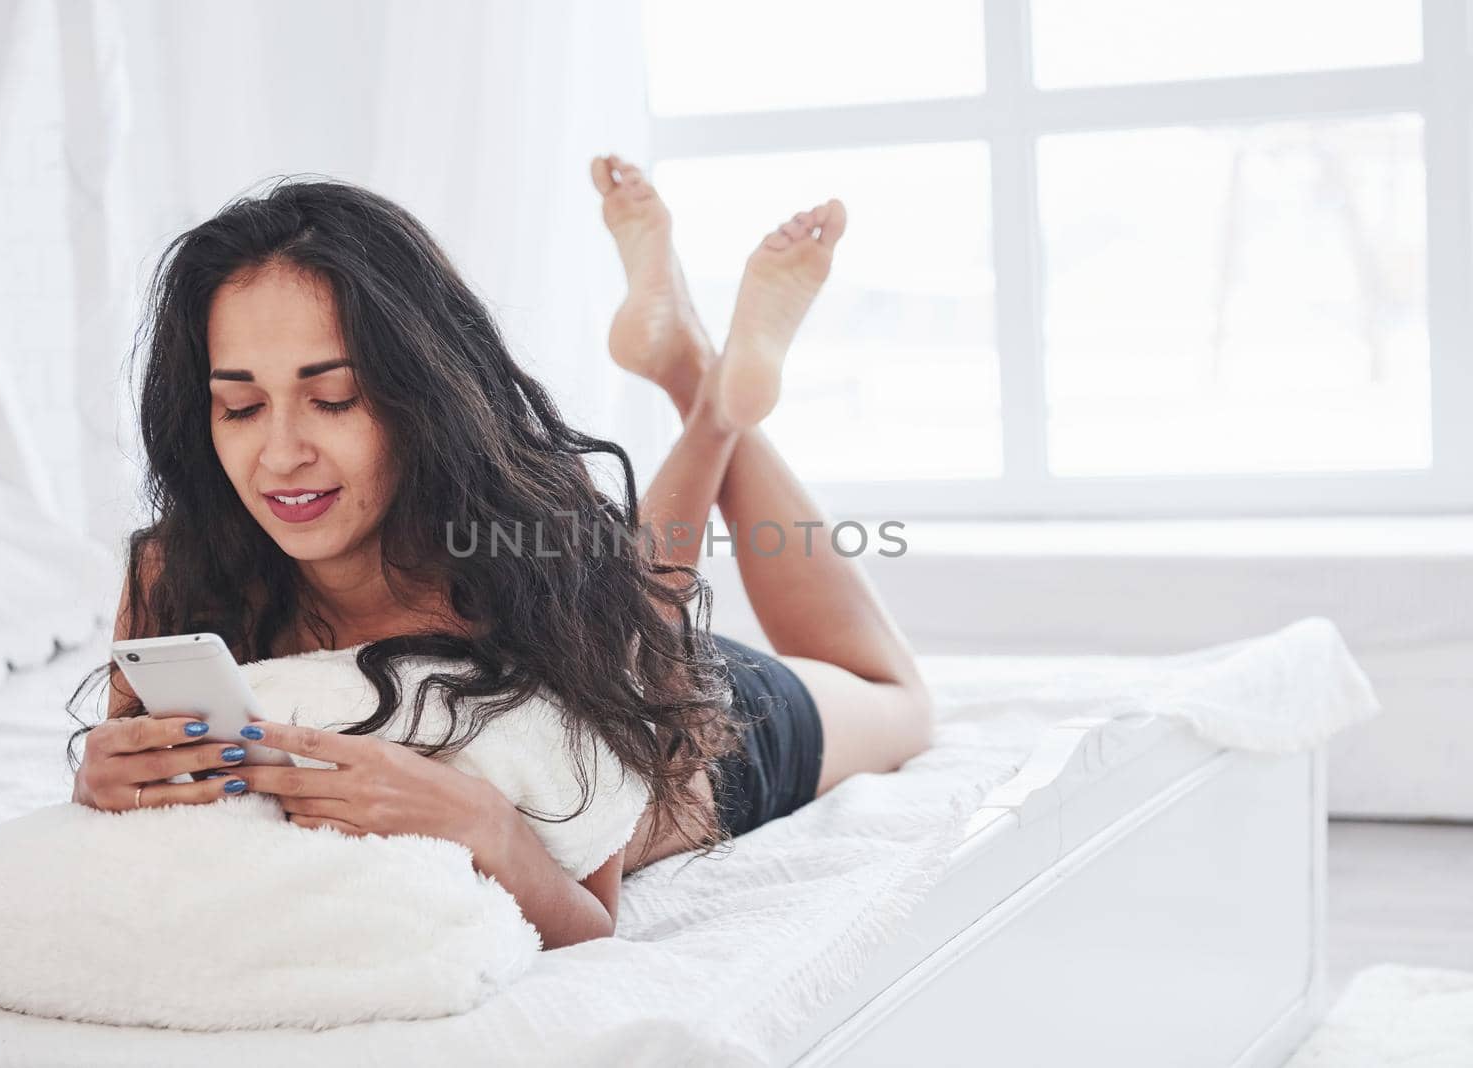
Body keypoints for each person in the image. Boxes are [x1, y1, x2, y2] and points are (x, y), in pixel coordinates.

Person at [65, 159, 932, 950]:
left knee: (901, 703)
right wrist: (103, 785)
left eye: (333, 399)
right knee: (635, 594)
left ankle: (711, 395)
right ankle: (702, 371)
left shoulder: (518, 563)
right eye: (241, 408)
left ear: (419, 395)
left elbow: (589, 928)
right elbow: (152, 825)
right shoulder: (175, 574)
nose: (282, 453)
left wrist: (489, 825)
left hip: (698, 738)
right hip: (617, 628)